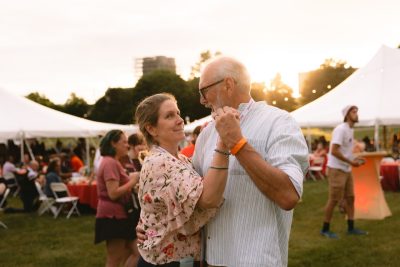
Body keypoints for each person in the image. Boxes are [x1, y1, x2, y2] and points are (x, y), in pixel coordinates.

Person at [135, 93, 232, 266]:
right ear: (152, 129)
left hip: (179, 258)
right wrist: (223, 143)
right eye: (169, 116)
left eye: (178, 113)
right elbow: (207, 199)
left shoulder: (181, 160)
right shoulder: (159, 163)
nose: (180, 120)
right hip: (165, 261)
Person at [94, 130, 140, 267]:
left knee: (139, 253)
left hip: (120, 216)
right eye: (124, 142)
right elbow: (113, 193)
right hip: (112, 217)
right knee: (114, 260)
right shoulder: (109, 163)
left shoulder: (113, 161)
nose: (127, 145)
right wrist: (133, 181)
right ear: (113, 143)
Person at [320, 105, 367, 239]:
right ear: (347, 115)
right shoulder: (341, 129)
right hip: (337, 169)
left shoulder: (350, 130)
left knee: (351, 198)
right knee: (334, 200)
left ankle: (351, 228)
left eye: (357, 111)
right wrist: (351, 162)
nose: (356, 114)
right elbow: (334, 151)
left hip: (346, 168)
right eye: (353, 112)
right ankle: (325, 229)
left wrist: (355, 158)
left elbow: (345, 151)